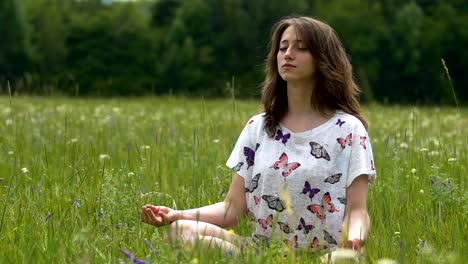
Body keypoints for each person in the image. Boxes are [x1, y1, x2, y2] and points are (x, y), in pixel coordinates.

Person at [140, 15, 376, 257]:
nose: (288, 54)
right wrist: (177, 215)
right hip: (261, 252)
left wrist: (356, 237)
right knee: (179, 231)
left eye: (301, 48)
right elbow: (233, 209)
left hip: (325, 255)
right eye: (283, 47)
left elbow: (357, 211)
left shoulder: (348, 129)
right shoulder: (259, 126)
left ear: (324, 59)